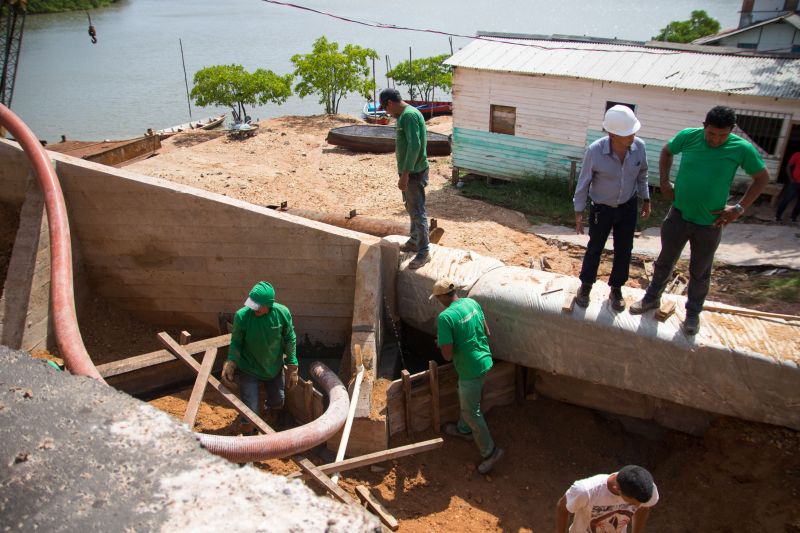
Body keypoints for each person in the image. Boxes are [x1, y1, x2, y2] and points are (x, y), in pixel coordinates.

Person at [630, 106, 769, 335]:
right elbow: (667, 151)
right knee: (665, 261)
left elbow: (762, 178)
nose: (716, 140)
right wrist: (664, 182)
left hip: (710, 223)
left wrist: (739, 208)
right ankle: (652, 298)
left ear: (731, 131)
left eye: (722, 135)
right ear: (704, 126)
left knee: (700, 271)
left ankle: (693, 313)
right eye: (712, 134)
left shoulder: (741, 148)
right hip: (679, 214)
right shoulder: (689, 136)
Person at [573, 105, 650, 311]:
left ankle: (616, 288)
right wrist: (579, 212)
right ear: (612, 134)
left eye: (633, 132)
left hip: (627, 207)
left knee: (624, 250)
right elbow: (584, 182)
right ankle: (586, 286)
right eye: (627, 134)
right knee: (595, 248)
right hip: (602, 209)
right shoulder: (595, 151)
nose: (632, 136)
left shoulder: (639, 147)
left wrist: (646, 199)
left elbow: (642, 174)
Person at [430, 277, 504, 474]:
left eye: (437, 299)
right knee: (468, 398)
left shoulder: (445, 318)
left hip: (469, 369)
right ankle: (464, 430)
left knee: (472, 412)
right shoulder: (472, 302)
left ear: (442, 297)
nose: (438, 302)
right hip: (485, 360)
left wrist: (442, 342)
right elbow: (486, 331)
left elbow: (446, 356)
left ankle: (490, 452)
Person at [222, 281, 299, 431]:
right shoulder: (242, 316)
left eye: (258, 306)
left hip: (273, 367)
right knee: (250, 413)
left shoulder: (282, 313)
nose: (253, 308)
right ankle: (249, 436)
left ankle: (268, 413)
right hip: (249, 368)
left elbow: (290, 338)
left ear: (269, 304)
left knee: (278, 401)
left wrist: (293, 366)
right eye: (252, 304)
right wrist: (231, 362)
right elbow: (236, 342)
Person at [380, 88, 431, 269]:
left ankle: (424, 251)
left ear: (390, 103)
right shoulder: (406, 115)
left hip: (414, 173)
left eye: (385, 108)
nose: (387, 112)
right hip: (411, 171)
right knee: (410, 207)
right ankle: (414, 241)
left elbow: (415, 145)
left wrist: (405, 174)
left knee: (417, 211)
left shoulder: (408, 116)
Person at [555, 465, 659, 533]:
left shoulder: (645, 488)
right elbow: (562, 507)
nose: (636, 506)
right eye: (632, 503)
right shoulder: (586, 491)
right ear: (618, 490)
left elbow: (643, 508)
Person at [775, 151, 800, 224]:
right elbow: (788, 166)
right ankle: (777, 216)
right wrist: (791, 179)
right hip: (795, 183)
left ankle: (793, 218)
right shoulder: (797, 155)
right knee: (786, 199)